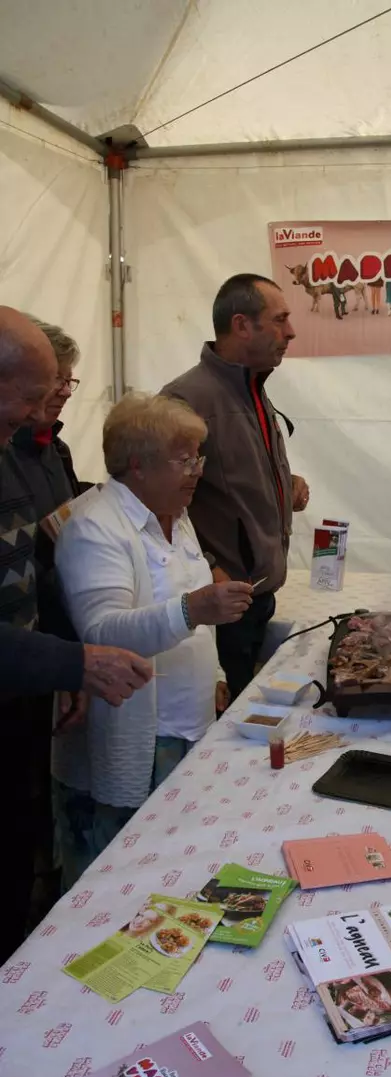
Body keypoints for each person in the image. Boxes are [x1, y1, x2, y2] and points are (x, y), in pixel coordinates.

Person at [0, 307, 151, 962]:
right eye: (35, 393)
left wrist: (63, 665)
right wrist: (73, 661)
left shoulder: (20, 449)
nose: (44, 408)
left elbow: (38, 578)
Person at [53, 393, 255, 881]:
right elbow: (101, 633)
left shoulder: (175, 513)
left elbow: (192, 606)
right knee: (114, 880)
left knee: (172, 873)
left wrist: (218, 675)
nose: (196, 472)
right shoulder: (95, 525)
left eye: (198, 458)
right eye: (184, 460)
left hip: (188, 725)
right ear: (137, 466)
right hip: (140, 734)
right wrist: (195, 607)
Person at [161, 274, 305, 699]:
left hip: (257, 596)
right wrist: (207, 563)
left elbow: (231, 477)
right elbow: (158, 506)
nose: (291, 332)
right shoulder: (185, 402)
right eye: (280, 320)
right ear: (242, 325)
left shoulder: (255, 389)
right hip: (222, 605)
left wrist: (284, 483)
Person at [11, 318, 86, 918]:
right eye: (44, 388)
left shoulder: (47, 446)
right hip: (29, 655)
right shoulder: (16, 446)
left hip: (32, 655)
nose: (57, 398)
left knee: (32, 797)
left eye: (62, 383)